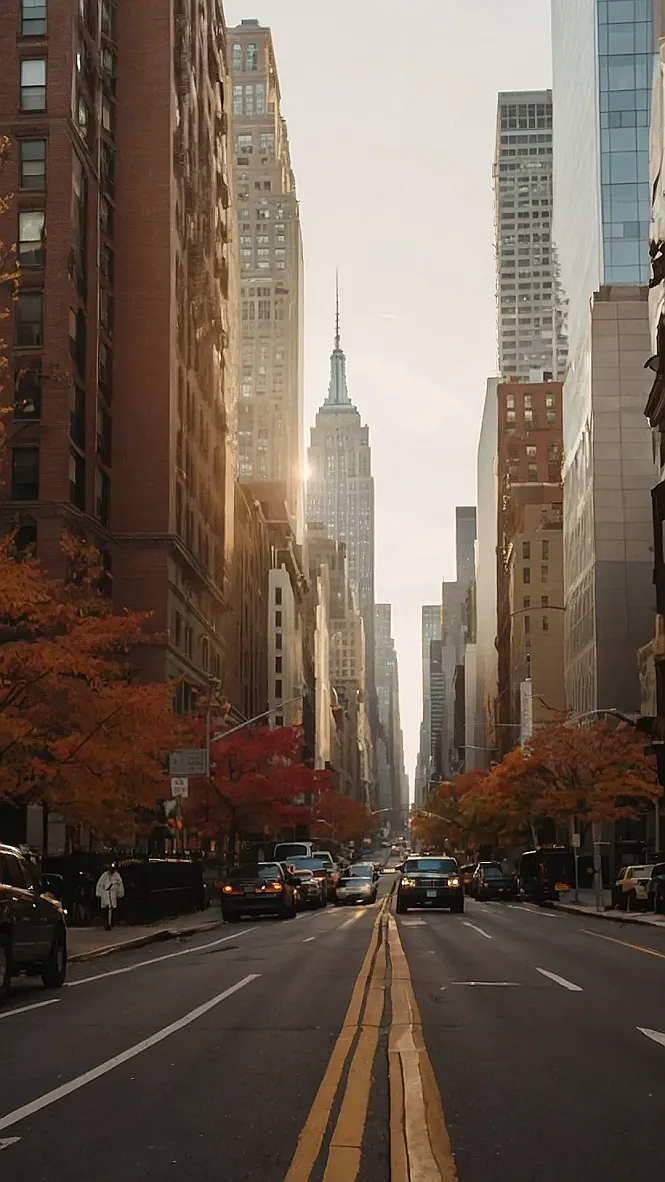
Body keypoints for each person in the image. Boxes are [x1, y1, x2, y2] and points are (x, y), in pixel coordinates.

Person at [95, 862, 125, 930]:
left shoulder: (117, 876)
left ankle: (111, 923)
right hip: (105, 894)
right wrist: (99, 894)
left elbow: (120, 885)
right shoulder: (104, 875)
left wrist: (120, 894)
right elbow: (99, 884)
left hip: (113, 894)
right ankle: (106, 923)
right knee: (105, 909)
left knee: (112, 909)